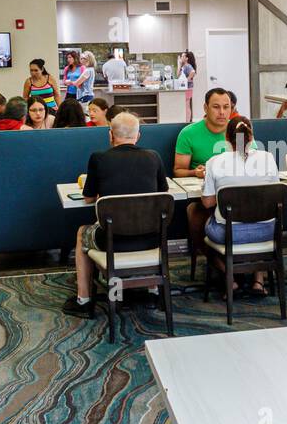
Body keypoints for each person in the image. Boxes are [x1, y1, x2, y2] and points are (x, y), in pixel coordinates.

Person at [62, 112, 168, 318]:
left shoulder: (99, 158)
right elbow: (162, 193)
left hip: (112, 241)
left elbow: (88, 198)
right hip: (151, 240)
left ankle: (83, 299)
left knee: (82, 232)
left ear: (110, 135)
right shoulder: (154, 157)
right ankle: (152, 290)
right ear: (138, 136)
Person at [201, 115, 279, 296]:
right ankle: (258, 280)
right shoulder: (268, 158)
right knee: (258, 218)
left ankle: (232, 279)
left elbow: (207, 203)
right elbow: (275, 197)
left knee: (203, 227)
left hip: (229, 234)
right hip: (267, 231)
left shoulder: (215, 162)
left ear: (227, 139)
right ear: (251, 137)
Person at [176, 88, 234, 249]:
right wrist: (194, 172)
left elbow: (251, 162)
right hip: (205, 199)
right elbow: (178, 170)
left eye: (226, 107)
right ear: (205, 108)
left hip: (238, 198)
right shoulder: (188, 133)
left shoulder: (238, 131)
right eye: (216, 107)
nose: (222, 112)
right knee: (193, 212)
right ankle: (218, 265)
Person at [178, 51, 197, 121]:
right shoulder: (184, 66)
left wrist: (186, 80)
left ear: (186, 58)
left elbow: (193, 72)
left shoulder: (188, 66)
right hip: (186, 88)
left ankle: (187, 121)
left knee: (187, 105)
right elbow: (178, 75)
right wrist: (179, 64)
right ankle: (187, 120)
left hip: (188, 88)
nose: (181, 58)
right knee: (186, 105)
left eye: (183, 56)